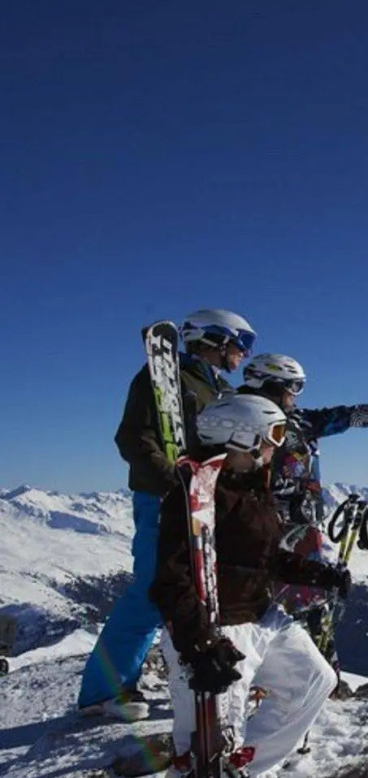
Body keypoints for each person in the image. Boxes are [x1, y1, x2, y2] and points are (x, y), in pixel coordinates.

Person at [139, 393, 347, 778]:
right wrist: (199, 645)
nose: (278, 447)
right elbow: (169, 581)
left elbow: (262, 558)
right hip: (217, 628)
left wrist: (314, 573)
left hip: (261, 617)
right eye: (272, 436)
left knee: (314, 681)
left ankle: (248, 774)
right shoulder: (193, 494)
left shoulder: (252, 488)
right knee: (206, 747)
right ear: (240, 436)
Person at [80, 308, 256, 721]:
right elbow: (133, 438)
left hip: (204, 501)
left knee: (201, 591)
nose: (244, 354)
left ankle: (196, 676)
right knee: (151, 590)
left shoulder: (221, 390)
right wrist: (173, 484)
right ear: (215, 339)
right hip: (162, 498)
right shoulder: (163, 377)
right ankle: (103, 694)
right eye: (242, 344)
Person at [236, 352, 368, 665]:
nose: (295, 395)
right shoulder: (240, 421)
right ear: (270, 385)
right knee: (277, 603)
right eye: (292, 387)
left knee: (314, 597)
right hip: (266, 528)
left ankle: (315, 665)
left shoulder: (300, 422)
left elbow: (351, 416)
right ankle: (279, 668)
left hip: (301, 526)